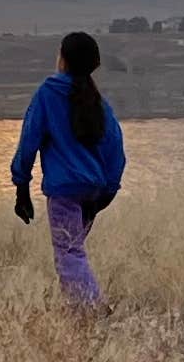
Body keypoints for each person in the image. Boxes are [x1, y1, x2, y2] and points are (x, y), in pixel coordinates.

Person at [11, 28, 124, 310]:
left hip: (65, 191)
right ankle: (78, 314)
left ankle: (95, 308)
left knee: (69, 253)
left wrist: (21, 187)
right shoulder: (99, 102)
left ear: (62, 60)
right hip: (95, 190)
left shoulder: (48, 93)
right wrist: (106, 193)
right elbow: (116, 151)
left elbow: (29, 141)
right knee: (72, 253)